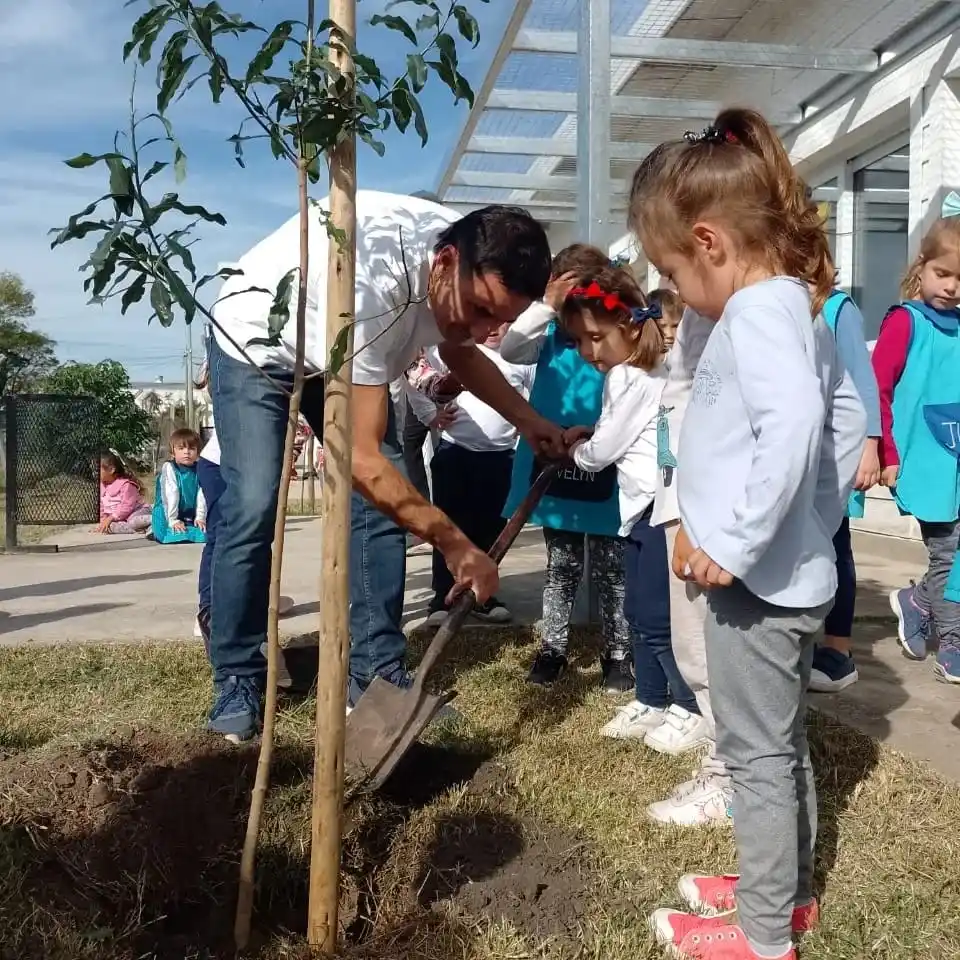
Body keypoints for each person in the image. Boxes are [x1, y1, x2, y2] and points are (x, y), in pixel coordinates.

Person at [630, 110, 866, 960]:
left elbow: (798, 423)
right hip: (781, 577)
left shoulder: (758, 312)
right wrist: (808, 524)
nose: (673, 288)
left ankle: (763, 936)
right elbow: (838, 420)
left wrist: (734, 543)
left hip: (756, 592)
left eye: (670, 270)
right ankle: (785, 894)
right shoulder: (792, 307)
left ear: (711, 241)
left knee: (755, 757)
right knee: (779, 745)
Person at [206, 191, 559, 742]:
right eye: (480, 309)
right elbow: (363, 462)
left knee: (379, 513)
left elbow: (461, 351)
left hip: (338, 350)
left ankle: (375, 677)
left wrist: (530, 422)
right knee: (254, 501)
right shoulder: (371, 287)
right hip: (257, 343)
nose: (483, 328)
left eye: (500, 319)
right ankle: (237, 675)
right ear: (444, 262)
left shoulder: (469, 254)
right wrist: (454, 542)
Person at [559, 265, 707, 751]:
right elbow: (621, 431)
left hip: (655, 510)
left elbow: (603, 451)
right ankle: (651, 698)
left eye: (595, 338)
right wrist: (592, 436)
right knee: (641, 613)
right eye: (579, 341)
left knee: (655, 616)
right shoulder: (652, 371)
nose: (588, 352)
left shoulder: (629, 376)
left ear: (628, 327)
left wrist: (576, 451)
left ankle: (688, 706)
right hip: (645, 509)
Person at [499, 244, 633, 695]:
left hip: (606, 456)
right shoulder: (550, 332)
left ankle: (618, 653)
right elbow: (511, 348)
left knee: (612, 567)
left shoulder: (615, 333)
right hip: (554, 456)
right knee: (562, 563)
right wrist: (546, 306)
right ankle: (552, 649)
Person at [646, 303, 729, 826]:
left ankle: (732, 778)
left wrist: (691, 517)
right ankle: (722, 761)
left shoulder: (738, 316)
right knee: (692, 650)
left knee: (709, 651)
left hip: (701, 517)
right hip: (680, 506)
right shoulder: (703, 314)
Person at [877, 200, 960, 684]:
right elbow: (877, 390)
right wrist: (885, 452)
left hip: (955, 457)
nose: (951, 287)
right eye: (942, 273)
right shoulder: (906, 322)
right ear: (922, 268)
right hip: (925, 459)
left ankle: (918, 601)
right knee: (948, 553)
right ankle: (952, 643)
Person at [406, 328, 535, 625]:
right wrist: (429, 415)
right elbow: (414, 381)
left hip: (502, 456)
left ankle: (483, 597)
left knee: (490, 529)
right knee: (448, 526)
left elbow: (533, 392)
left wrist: (526, 422)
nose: (494, 328)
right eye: (486, 319)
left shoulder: (521, 357)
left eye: (502, 321)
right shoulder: (451, 351)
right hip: (455, 451)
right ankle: (442, 596)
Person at [810, 290, 882, 692]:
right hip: (804, 454)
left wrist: (870, 445)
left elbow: (862, 379)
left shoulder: (838, 309)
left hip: (837, 454)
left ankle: (838, 651)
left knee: (836, 546)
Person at [151, 428, 207, 544]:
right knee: (167, 534)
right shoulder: (169, 468)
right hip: (167, 512)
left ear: (198, 452)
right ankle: (154, 528)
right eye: (181, 448)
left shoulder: (200, 469)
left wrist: (200, 517)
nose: (187, 452)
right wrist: (173, 520)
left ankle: (189, 527)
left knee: (206, 534)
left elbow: (202, 494)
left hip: (190, 514)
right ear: (173, 452)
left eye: (192, 448)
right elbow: (170, 495)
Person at [95, 451, 151, 534]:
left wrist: (111, 518)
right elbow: (101, 507)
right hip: (121, 518)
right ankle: (143, 528)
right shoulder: (101, 486)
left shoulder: (126, 485)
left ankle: (155, 520)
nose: (95, 471)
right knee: (109, 527)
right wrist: (103, 522)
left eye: (98, 469)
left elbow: (126, 507)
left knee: (133, 521)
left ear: (111, 470)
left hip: (137, 512)